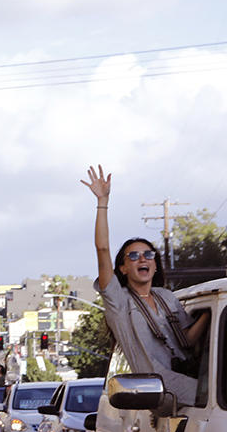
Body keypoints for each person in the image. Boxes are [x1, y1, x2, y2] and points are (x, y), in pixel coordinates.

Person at [86, 165, 209, 405]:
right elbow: (102, 249)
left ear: (155, 264)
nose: (142, 259)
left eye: (148, 255)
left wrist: (207, 315)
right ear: (122, 268)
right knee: (216, 399)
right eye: (133, 256)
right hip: (157, 389)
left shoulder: (166, 296)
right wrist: (103, 202)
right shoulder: (119, 302)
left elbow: (188, 340)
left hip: (186, 375)